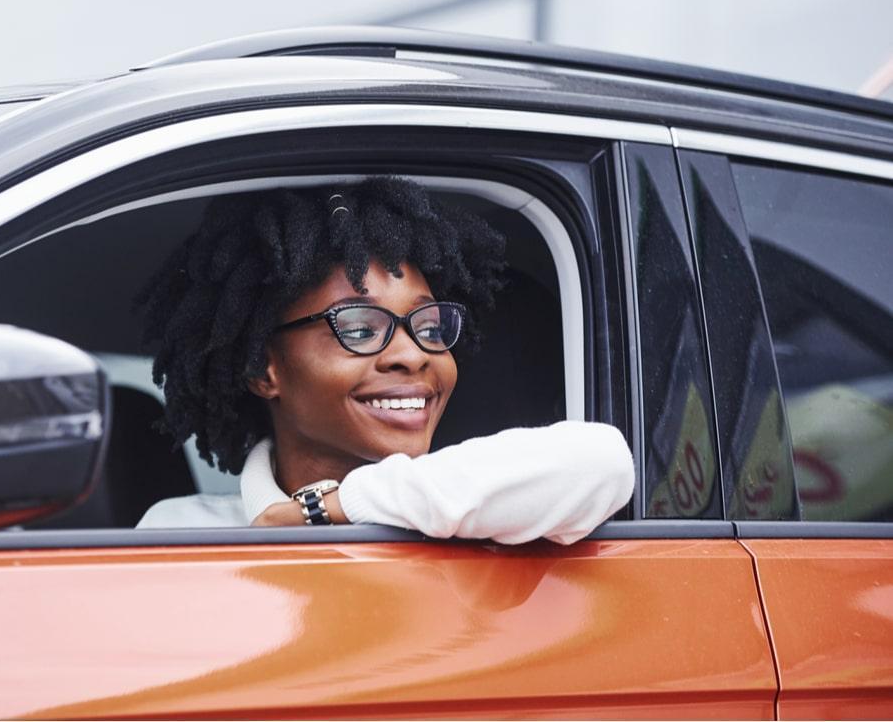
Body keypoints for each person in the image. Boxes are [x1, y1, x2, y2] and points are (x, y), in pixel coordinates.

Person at [134, 177, 633, 543]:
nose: (413, 354)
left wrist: (328, 510)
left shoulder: (491, 507)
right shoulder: (181, 533)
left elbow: (603, 462)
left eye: (431, 327)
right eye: (357, 328)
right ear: (263, 369)